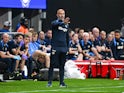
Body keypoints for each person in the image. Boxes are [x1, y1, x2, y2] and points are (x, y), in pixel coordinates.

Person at [47, 9, 70, 87]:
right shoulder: (55, 23)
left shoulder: (66, 25)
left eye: (63, 14)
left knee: (62, 66)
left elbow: (67, 37)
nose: (62, 15)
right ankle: (49, 82)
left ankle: (61, 82)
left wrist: (68, 48)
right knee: (52, 64)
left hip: (63, 47)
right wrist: (63, 22)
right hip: (55, 47)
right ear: (57, 15)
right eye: (60, 14)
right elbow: (54, 24)